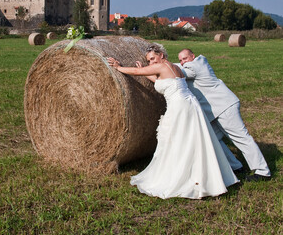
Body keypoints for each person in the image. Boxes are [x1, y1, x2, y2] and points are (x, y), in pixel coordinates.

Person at [107, 44, 239, 199]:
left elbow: (137, 71)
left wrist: (118, 67)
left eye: (153, 58)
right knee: (191, 140)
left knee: (177, 141)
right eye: (149, 61)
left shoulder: (162, 66)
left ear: (162, 55)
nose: (151, 63)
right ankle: (202, 176)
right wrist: (145, 70)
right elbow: (158, 80)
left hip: (179, 107)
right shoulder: (173, 68)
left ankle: (183, 177)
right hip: (189, 104)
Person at [177, 49, 271, 182]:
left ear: (192, 56)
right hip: (216, 110)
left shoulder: (195, 66)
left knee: (241, 138)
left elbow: (176, 72)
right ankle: (235, 166)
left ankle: (263, 171)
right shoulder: (196, 63)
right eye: (180, 60)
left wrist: (160, 65)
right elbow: (177, 66)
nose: (182, 62)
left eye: (185, 58)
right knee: (212, 139)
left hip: (224, 106)